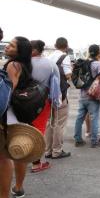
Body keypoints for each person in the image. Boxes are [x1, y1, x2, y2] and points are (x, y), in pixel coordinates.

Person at [2, 36, 34, 197]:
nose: (7, 47)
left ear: (19, 51)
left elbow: (8, 90)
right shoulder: (25, 65)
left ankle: (4, 194)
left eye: (12, 45)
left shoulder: (12, 65)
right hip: (21, 113)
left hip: (8, 114)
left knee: (3, 157)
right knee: (18, 152)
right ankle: (19, 187)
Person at [30, 40, 61, 173]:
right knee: (39, 130)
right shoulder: (51, 64)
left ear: (34, 50)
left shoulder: (21, 63)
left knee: (23, 129)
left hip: (21, 101)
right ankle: (36, 163)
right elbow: (56, 85)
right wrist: (56, 103)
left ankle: (20, 155)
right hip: (42, 100)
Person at [74, 44, 100, 148]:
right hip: (93, 95)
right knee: (94, 118)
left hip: (82, 95)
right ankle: (94, 141)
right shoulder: (98, 64)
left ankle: (78, 139)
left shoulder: (83, 63)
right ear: (99, 52)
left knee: (79, 118)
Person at [46, 37, 72, 159]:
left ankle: (48, 150)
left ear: (55, 45)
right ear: (66, 46)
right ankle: (57, 150)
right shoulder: (65, 57)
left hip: (48, 94)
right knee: (59, 123)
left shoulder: (49, 57)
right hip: (60, 94)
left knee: (49, 122)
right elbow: (67, 75)